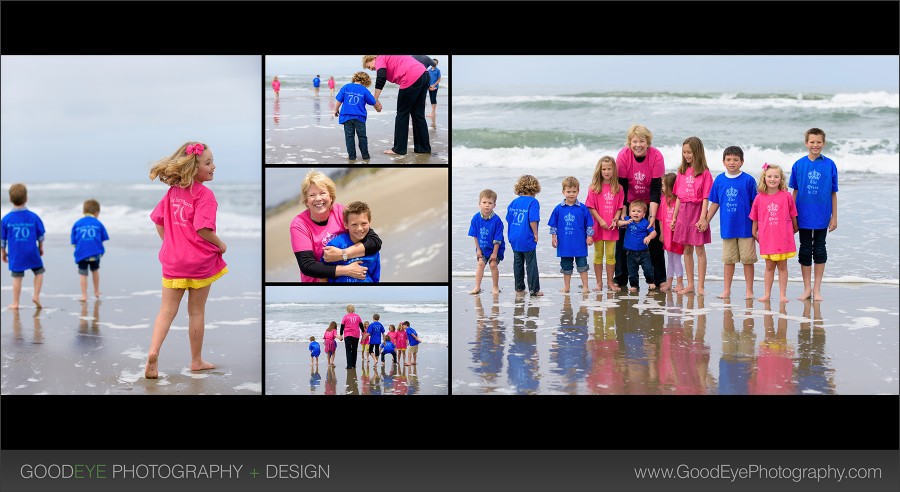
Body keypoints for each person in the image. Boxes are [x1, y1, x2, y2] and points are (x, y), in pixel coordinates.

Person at [145, 142, 227, 379]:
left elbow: (158, 221)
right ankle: (196, 361)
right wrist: (221, 244)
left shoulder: (172, 193)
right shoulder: (205, 195)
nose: (213, 166)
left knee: (166, 311)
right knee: (196, 313)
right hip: (199, 263)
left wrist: (169, 243)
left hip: (173, 261)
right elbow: (203, 229)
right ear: (194, 168)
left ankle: (153, 353)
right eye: (208, 163)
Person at [290, 170, 382, 282]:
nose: (318, 198)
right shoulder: (299, 225)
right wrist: (346, 270)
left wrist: (343, 254)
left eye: (322, 193)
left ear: (331, 196)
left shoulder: (341, 212)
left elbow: (375, 242)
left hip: (354, 274)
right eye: (312, 195)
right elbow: (307, 266)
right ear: (306, 201)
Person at [614, 124, 667, 289]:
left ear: (648, 142)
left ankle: (659, 278)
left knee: (654, 237)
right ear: (629, 143)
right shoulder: (623, 156)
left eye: (642, 141)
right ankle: (621, 278)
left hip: (651, 201)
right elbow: (622, 186)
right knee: (623, 236)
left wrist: (651, 216)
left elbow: (656, 189)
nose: (638, 145)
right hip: (630, 201)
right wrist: (623, 212)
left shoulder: (656, 156)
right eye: (634, 141)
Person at [790, 127, 838, 302]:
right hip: (802, 215)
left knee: (819, 249)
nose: (815, 145)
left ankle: (817, 289)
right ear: (806, 143)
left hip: (822, 215)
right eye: (812, 142)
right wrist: (792, 216)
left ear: (823, 143)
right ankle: (807, 288)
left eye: (818, 142)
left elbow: (833, 193)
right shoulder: (799, 164)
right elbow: (794, 192)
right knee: (804, 250)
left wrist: (834, 216)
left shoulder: (830, 164)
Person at [706, 146, 758, 299]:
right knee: (728, 260)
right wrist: (706, 220)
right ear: (723, 162)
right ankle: (726, 290)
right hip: (728, 228)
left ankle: (749, 290)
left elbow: (755, 205)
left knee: (748, 260)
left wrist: (757, 227)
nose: (732, 162)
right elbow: (715, 203)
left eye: (736, 159)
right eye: (728, 159)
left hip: (746, 229)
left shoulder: (748, 180)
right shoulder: (720, 180)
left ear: (742, 162)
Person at [362, 55, 431, 155]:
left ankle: (399, 149)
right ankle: (423, 148)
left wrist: (375, 100)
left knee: (402, 114)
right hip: (424, 74)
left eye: (369, 66)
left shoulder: (380, 58)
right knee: (418, 114)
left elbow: (381, 77)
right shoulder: (389, 57)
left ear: (372, 58)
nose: (371, 69)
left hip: (411, 77)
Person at [670, 136, 713, 296]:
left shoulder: (705, 173)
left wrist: (703, 218)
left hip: (697, 212)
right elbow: (679, 198)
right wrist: (674, 217)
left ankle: (700, 286)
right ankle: (690, 284)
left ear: (697, 152)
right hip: (683, 214)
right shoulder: (681, 172)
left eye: (690, 152)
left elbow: (705, 198)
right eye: (684, 152)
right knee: (687, 249)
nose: (687, 155)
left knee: (699, 249)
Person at [750, 163, 798, 304]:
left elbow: (793, 214)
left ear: (781, 179)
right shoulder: (759, 197)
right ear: (764, 178)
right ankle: (767, 294)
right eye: (769, 176)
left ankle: (783, 294)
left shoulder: (786, 196)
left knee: (783, 266)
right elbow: (755, 216)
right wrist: (754, 231)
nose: (772, 179)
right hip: (767, 237)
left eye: (776, 176)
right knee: (769, 267)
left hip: (783, 237)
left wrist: (795, 228)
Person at [1, 183, 45, 309]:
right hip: (31, 251)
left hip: (16, 253)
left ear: (10, 199)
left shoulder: (6, 219)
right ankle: (36, 295)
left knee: (17, 277)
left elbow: (2, 240)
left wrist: (2, 252)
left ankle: (15, 302)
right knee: (39, 272)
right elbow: (40, 235)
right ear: (26, 198)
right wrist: (40, 247)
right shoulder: (33, 217)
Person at [549, 176, 594, 294]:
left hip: (579, 243)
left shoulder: (582, 208)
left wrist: (589, 236)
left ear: (578, 192)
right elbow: (553, 225)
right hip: (564, 243)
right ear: (563, 192)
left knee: (583, 266)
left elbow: (589, 224)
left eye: (574, 192)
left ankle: (585, 286)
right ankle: (567, 287)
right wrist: (553, 237)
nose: (571, 194)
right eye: (568, 192)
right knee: (566, 267)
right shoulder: (558, 209)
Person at [585, 156, 625, 292]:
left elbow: (620, 207)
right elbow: (590, 207)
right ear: (599, 170)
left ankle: (610, 282)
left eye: (609, 169)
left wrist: (616, 218)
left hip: (612, 227)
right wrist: (601, 220)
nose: (606, 171)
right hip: (598, 226)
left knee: (610, 255)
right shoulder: (594, 188)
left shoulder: (618, 188)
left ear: (614, 170)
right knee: (598, 254)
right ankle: (598, 283)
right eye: (604, 169)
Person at [322, 201, 381, 282]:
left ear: (369, 222)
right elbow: (322, 273)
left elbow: (374, 276)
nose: (359, 228)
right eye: (354, 224)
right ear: (346, 225)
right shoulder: (335, 245)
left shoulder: (373, 249)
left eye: (363, 223)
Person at [506, 174, 542, 296]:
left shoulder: (514, 202)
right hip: (526, 236)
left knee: (518, 262)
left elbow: (508, 218)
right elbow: (533, 219)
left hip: (514, 236)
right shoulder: (533, 202)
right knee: (531, 263)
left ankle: (519, 288)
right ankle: (534, 290)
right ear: (535, 188)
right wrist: (535, 233)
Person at [334, 71, 378, 161]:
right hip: (359, 118)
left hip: (347, 117)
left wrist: (336, 109)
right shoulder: (364, 90)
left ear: (355, 78)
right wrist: (378, 107)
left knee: (349, 137)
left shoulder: (346, 87)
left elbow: (339, 100)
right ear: (366, 81)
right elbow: (373, 101)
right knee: (362, 137)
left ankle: (352, 156)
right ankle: (365, 156)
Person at [71, 198, 109, 302]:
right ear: (97, 212)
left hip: (82, 253)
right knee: (95, 270)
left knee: (83, 274)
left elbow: (74, 242)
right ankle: (96, 291)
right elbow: (104, 238)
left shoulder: (77, 223)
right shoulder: (98, 223)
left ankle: (84, 295)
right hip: (95, 253)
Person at [468, 189, 505, 295]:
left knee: (493, 264)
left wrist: (494, 253)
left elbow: (498, 239)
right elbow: (474, 235)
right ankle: (477, 287)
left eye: (490, 203)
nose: (487, 205)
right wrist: (478, 250)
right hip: (482, 248)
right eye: (484, 202)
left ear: (494, 205)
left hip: (495, 248)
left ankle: (495, 287)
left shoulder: (497, 221)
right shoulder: (476, 218)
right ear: (479, 203)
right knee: (480, 264)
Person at [616, 200, 658, 291]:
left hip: (643, 252)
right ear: (630, 212)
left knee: (648, 269)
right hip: (630, 252)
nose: (636, 213)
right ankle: (634, 286)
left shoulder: (645, 223)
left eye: (639, 211)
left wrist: (649, 237)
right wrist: (625, 223)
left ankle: (651, 282)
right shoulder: (628, 220)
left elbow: (654, 232)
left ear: (643, 214)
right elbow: (617, 223)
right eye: (633, 211)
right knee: (632, 271)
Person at [658, 173, 684, 292]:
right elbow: (661, 219)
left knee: (676, 259)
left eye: (664, 185)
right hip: (667, 235)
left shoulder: (679, 201)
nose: (662, 188)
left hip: (677, 236)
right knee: (669, 259)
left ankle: (680, 283)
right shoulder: (663, 200)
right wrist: (662, 234)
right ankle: (669, 282)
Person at [340, 304, 363, 369]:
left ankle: (349, 365)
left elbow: (342, 326)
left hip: (347, 335)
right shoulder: (357, 316)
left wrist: (341, 335)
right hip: (356, 335)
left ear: (347, 310)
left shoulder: (345, 317)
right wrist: (363, 333)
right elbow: (361, 325)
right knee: (354, 349)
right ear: (353, 309)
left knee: (348, 350)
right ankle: (353, 365)